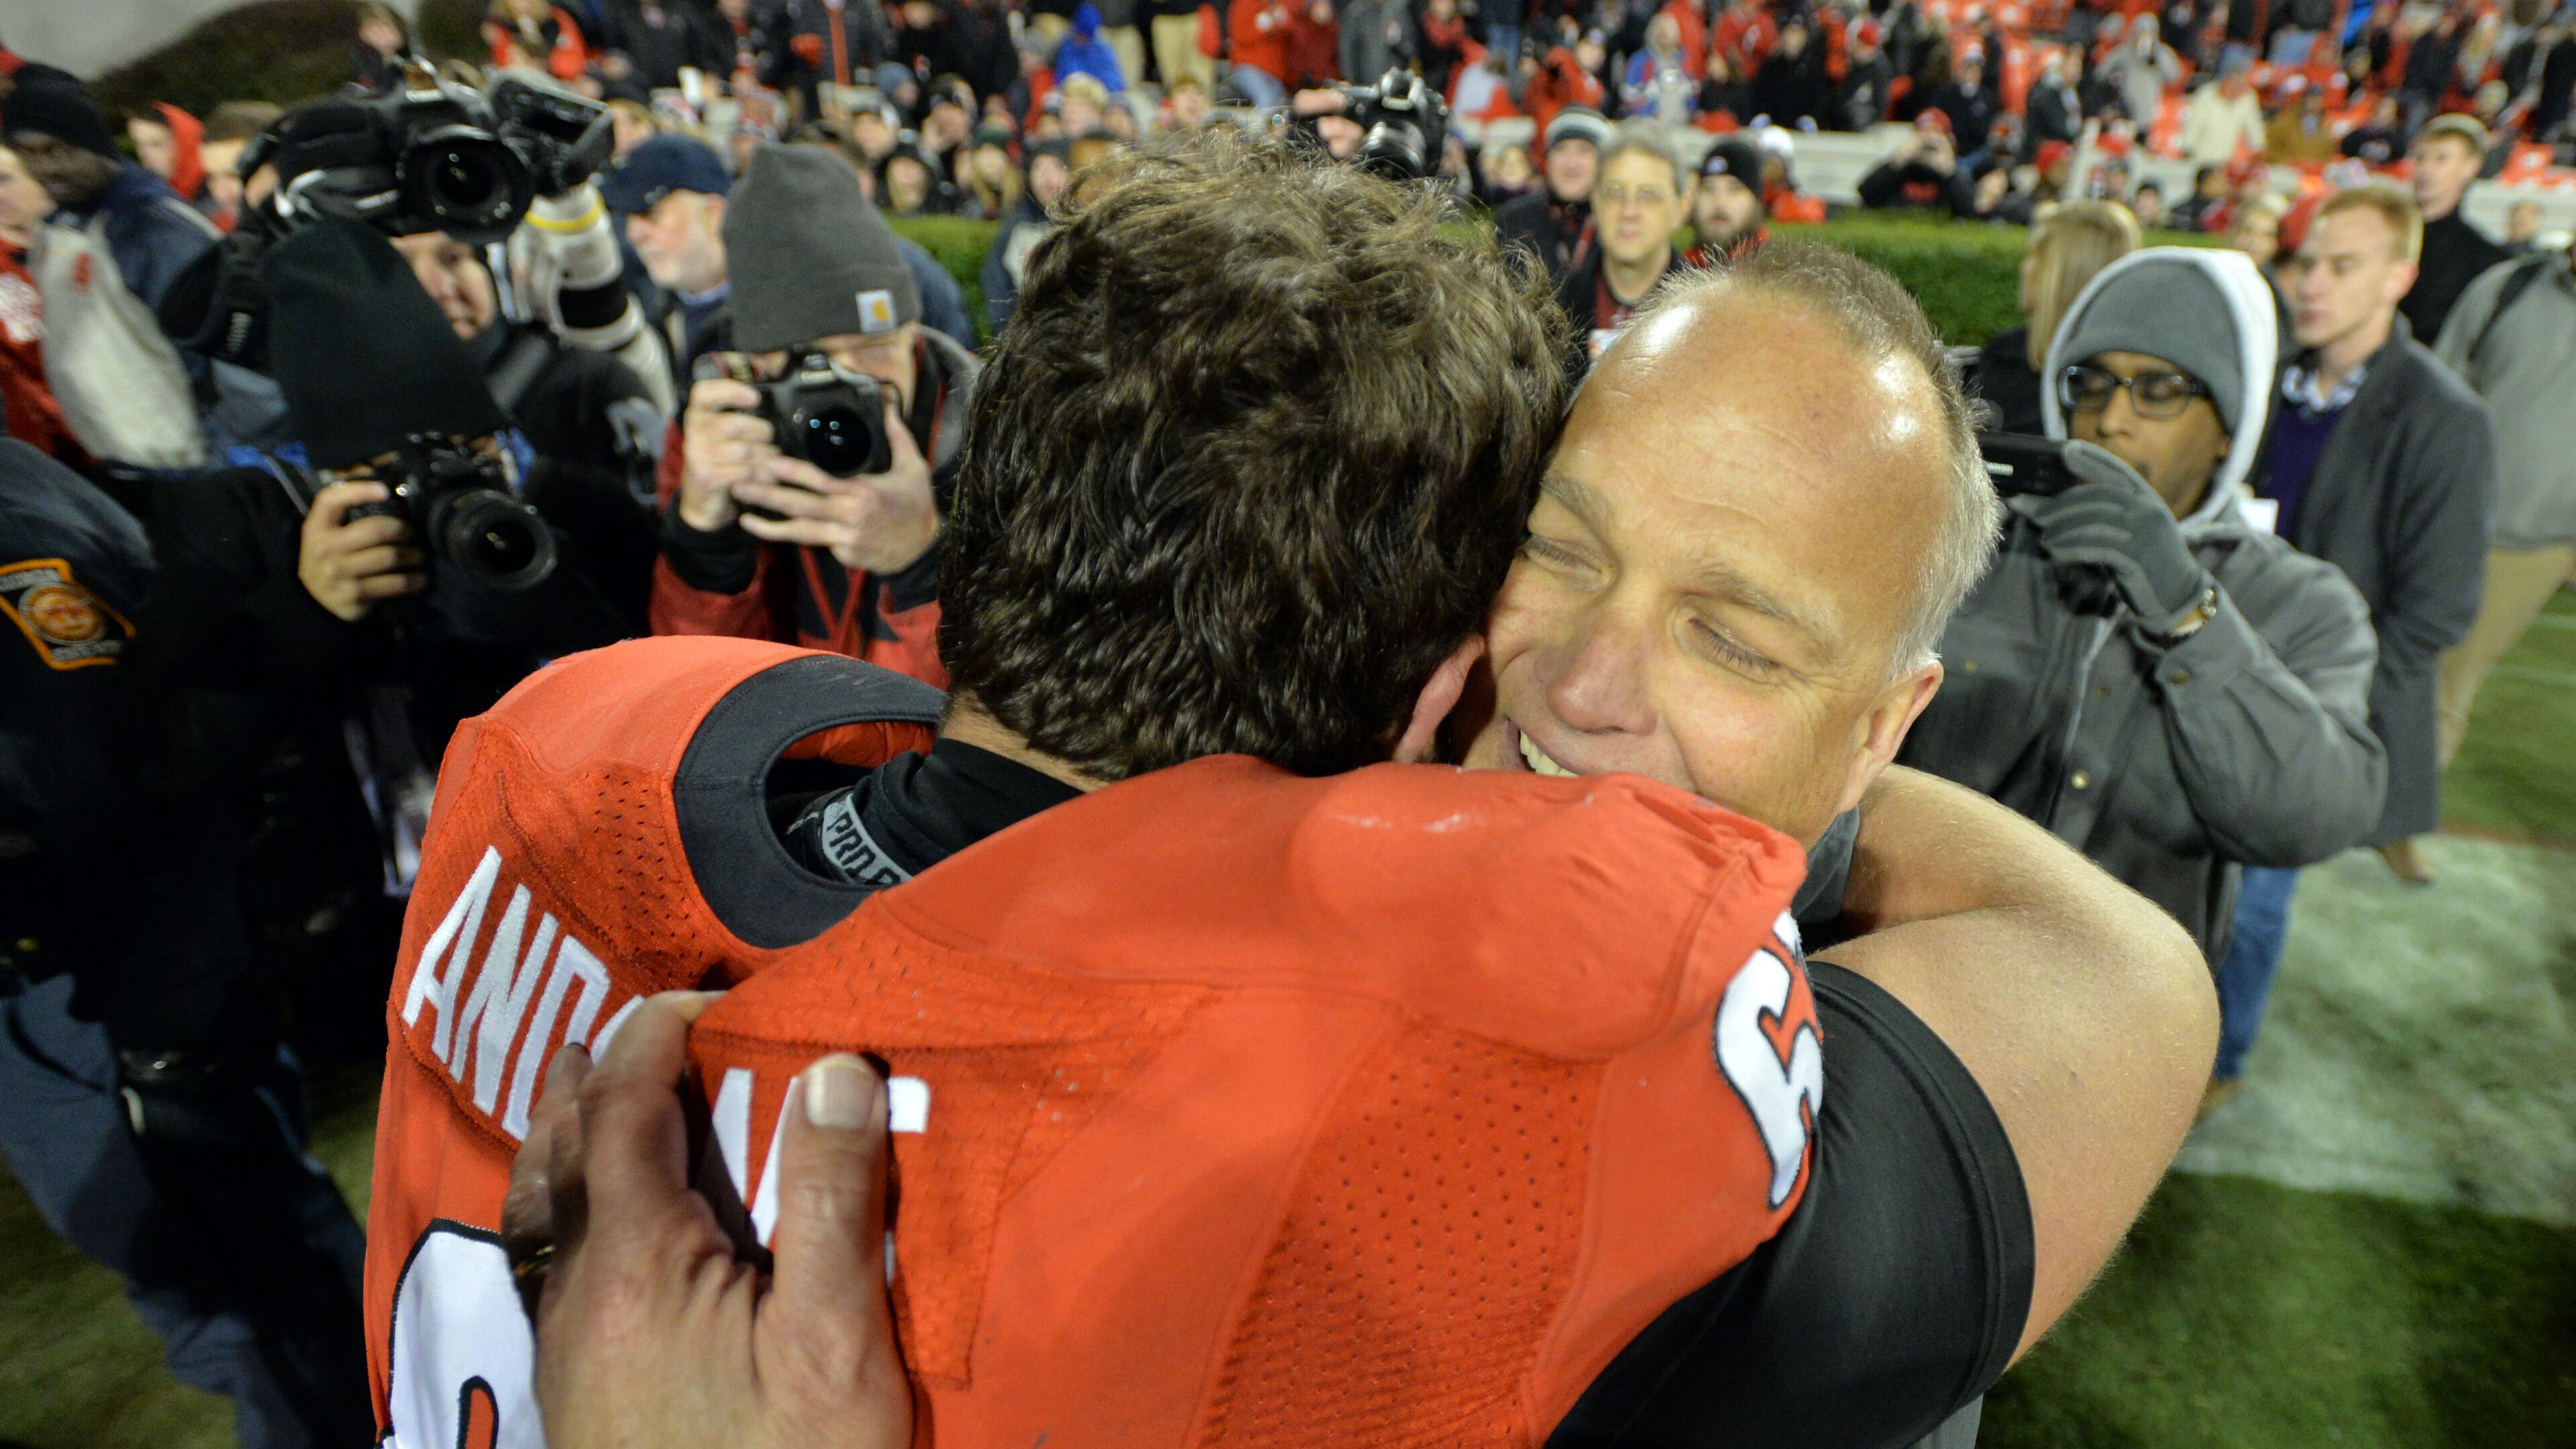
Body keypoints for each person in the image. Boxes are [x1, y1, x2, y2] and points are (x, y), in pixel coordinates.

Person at [375, 134, 2212, 1449]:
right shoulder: (1459, 1125)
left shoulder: (567, 744)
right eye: (1550, 560)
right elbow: (2124, 989)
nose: (1578, 689)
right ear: (1433, 682)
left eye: (1734, 640)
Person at [0, 426, 376, 1449]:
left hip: (102, 996)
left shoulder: (18, 519)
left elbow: (106, 787)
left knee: (273, 1329)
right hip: (130, 989)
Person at [1904, 246, 2387, 969]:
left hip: (2129, 1007)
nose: (2111, 419)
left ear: (2231, 423)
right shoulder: (1976, 545)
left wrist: (2190, 614)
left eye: (2159, 390)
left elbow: (2313, 819)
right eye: (2089, 383)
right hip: (1914, 957)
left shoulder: (2304, 602)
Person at [2204, 186, 2499, 1109]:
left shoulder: (2446, 416)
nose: (2314, 284)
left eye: (2343, 265)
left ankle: (2220, 1059)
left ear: (2400, 276)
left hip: (2305, 711)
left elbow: (2441, 609)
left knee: (2253, 903)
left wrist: (2325, 701)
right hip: (2209, 670)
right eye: (2307, 262)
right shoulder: (2265, 376)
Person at [651, 144, 975, 680]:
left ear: (910, 332)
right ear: (758, 364)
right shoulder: (721, 434)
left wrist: (921, 564)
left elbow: (1014, 714)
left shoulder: (997, 434)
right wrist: (705, 539)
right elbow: (697, 689)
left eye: (874, 347)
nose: (848, 381)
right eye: (812, 358)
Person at [3, 64, 221, 468]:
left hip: (191, 467)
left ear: (94, 144)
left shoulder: (152, 229)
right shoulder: (59, 227)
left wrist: (225, 466)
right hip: (121, 463)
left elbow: (221, 365)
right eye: (29, 154)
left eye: (57, 150)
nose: (45, 168)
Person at [2432, 231, 2576, 788]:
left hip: (2538, 544)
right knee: (2391, 662)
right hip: (2447, 518)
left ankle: (2395, 819)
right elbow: (2439, 390)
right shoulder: (2506, 288)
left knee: (2452, 686)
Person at [1974, 199, 2141, 433]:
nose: (2025, 266)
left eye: (2034, 255)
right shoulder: (2135, 380)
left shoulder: (2008, 361)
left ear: (2059, 276)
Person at [1557, 121, 1688, 364]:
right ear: (1595, 201)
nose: (1629, 211)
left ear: (1680, 209)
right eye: (1615, 192)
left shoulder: (1708, 316)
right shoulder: (1555, 308)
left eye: (1649, 194)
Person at [2400, 115, 2513, 343]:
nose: (2426, 170)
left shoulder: (2486, 259)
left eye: (2441, 159)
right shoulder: (2383, 235)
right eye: (2421, 158)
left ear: (2471, 167)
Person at [1493, 107, 1606, 286]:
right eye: (1561, 149)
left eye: (1584, 150)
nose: (1571, 163)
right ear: (1547, 159)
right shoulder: (1513, 219)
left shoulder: (1617, 223)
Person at [981, 138, 1067, 333]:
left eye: (1057, 167)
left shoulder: (1086, 224)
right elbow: (996, 283)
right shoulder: (1017, 227)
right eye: (1038, 168)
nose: (1047, 177)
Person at [1858, 111, 1980, 217]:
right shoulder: (1900, 169)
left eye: (1936, 133)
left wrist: (1947, 170)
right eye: (1922, 133)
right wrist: (1898, 161)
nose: (1928, 140)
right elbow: (1866, 193)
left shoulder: (1953, 176)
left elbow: (1967, 210)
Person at [1681, 136, 1765, 266]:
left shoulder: (1782, 275)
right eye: (1708, 189)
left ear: (1757, 202)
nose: (1719, 203)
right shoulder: (1676, 270)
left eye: (1735, 190)